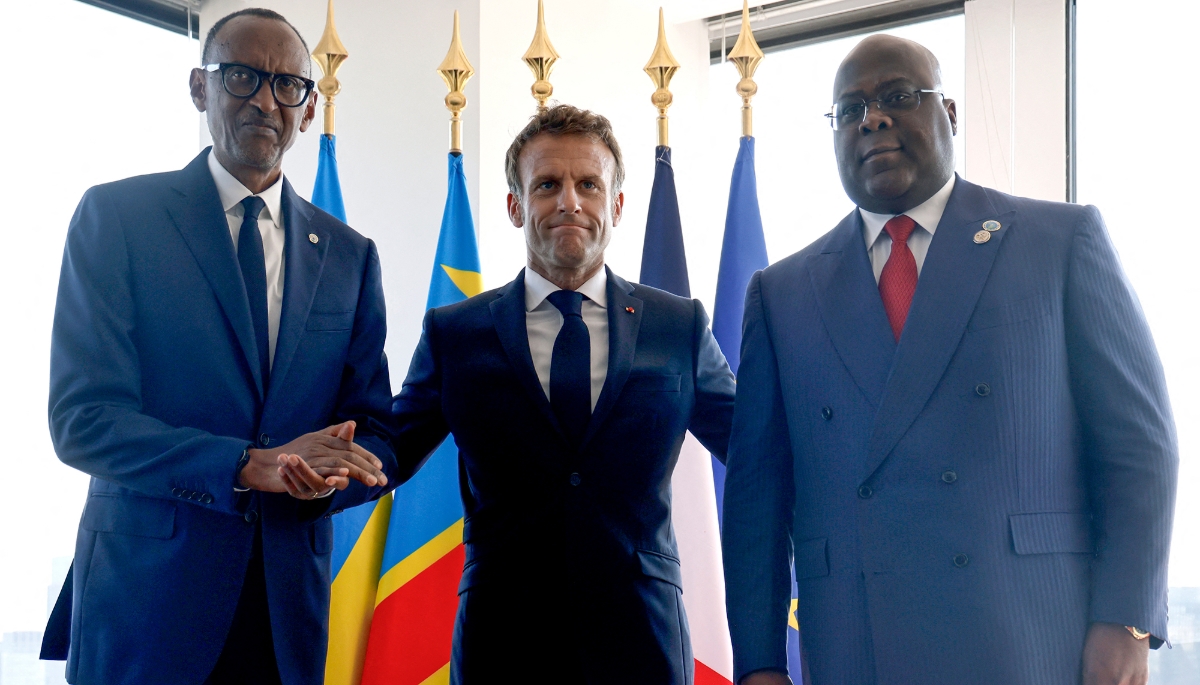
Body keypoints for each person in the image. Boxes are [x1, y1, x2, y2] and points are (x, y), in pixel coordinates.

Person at [721, 35, 1177, 685]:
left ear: (952, 113)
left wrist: (1128, 622)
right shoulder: (782, 293)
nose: (872, 118)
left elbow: (1140, 445)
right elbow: (756, 501)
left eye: (898, 97)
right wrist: (761, 662)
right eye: (849, 110)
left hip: (1033, 638)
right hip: (859, 644)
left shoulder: (1060, 242)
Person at [45, 8, 397, 684]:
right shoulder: (117, 219)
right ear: (200, 88)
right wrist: (243, 463)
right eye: (241, 76)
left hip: (284, 615)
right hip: (146, 606)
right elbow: (83, 420)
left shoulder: (350, 257)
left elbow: (375, 427)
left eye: (286, 84)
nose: (265, 99)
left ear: (309, 106)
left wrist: (324, 478)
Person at [390, 104, 735, 683]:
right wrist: (310, 466)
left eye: (589, 185)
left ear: (616, 205)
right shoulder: (455, 334)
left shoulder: (678, 326)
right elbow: (387, 450)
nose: (569, 201)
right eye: (547, 184)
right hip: (502, 644)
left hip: (642, 644)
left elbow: (756, 446)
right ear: (515, 206)